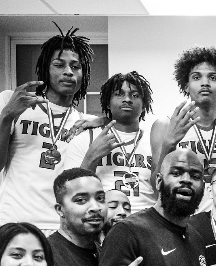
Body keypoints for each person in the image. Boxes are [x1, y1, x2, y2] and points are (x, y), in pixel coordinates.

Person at [0, 26, 93, 233]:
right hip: (15, 224)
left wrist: (103, 119)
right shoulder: (11, 101)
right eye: (59, 65)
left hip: (62, 229)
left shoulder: (84, 123)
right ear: (46, 70)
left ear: (83, 75)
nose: (68, 71)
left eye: (76, 67)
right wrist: (7, 116)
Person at [151, 46, 216, 213]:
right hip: (183, 216)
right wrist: (169, 143)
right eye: (197, 77)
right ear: (186, 86)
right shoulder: (165, 124)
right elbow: (155, 185)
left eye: (213, 77)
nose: (205, 83)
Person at [64, 71, 157, 213]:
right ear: (108, 102)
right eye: (119, 94)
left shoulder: (154, 142)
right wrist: (91, 157)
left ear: (144, 105)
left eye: (135, 95)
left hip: (147, 222)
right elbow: (70, 192)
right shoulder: (86, 138)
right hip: (102, 221)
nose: (127, 99)